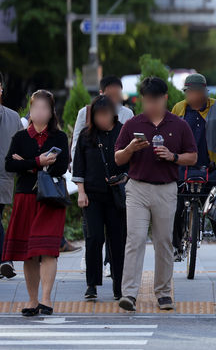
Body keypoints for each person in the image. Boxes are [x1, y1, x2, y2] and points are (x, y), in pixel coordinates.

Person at [114, 77, 198, 312]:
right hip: (137, 188)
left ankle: (163, 293)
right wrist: (131, 148)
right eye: (146, 100)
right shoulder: (132, 124)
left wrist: (172, 157)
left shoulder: (179, 125)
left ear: (165, 98)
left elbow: (192, 156)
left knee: (163, 241)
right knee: (135, 239)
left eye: (155, 100)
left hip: (166, 188)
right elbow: (118, 158)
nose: (150, 105)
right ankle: (129, 293)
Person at [4, 90, 69, 316]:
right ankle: (32, 300)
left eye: (44, 108)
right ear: (30, 111)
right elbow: (9, 165)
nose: (39, 112)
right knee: (28, 252)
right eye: (35, 108)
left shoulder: (59, 138)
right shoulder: (20, 137)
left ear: (51, 113)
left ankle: (46, 299)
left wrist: (28, 164)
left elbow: (62, 167)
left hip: (50, 198)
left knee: (49, 250)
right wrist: (38, 162)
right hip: (25, 197)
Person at [170, 73, 216, 270]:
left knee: (215, 211)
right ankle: (177, 245)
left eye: (198, 92)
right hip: (184, 167)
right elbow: (171, 136)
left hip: (211, 167)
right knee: (178, 206)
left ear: (205, 92)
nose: (194, 96)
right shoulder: (179, 108)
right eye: (190, 92)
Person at [72, 95, 128, 300]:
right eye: (98, 115)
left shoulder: (122, 131)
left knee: (118, 241)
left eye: (105, 114)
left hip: (116, 195)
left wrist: (124, 179)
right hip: (92, 195)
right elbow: (79, 165)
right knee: (94, 238)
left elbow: (130, 162)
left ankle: (119, 285)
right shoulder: (87, 136)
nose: (102, 119)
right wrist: (81, 191)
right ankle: (92, 284)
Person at [72, 76, 134, 161]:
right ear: (101, 93)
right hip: (92, 166)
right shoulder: (86, 112)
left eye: (117, 95)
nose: (114, 100)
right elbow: (76, 145)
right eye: (110, 96)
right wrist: (77, 169)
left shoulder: (127, 113)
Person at [0, 73, 24, 280]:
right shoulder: (14, 117)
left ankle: (4, 260)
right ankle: (4, 260)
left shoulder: (13, 117)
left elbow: (22, 144)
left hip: (4, 175)